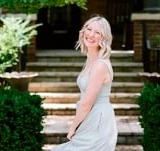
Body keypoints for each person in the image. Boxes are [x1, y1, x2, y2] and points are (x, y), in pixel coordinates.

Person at [51, 14, 118, 151]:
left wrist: (72, 127)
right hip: (89, 119)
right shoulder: (91, 61)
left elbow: (86, 104)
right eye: (89, 29)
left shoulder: (100, 65)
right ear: (83, 31)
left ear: (103, 38)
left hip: (98, 122)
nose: (91, 34)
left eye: (97, 32)